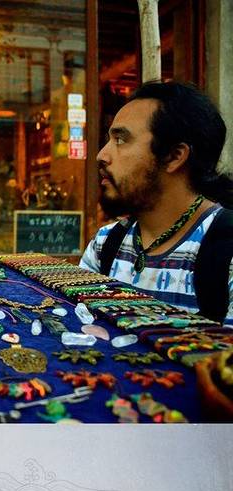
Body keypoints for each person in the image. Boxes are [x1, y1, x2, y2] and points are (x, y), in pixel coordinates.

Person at [80, 81, 233, 324]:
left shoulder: (225, 251)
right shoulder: (105, 244)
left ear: (174, 156)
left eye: (121, 139)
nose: (102, 155)